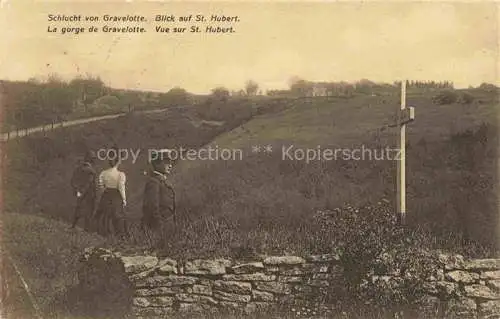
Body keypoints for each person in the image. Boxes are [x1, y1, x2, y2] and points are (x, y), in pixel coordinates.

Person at [142, 149, 176, 237]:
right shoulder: (153, 182)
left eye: (171, 162)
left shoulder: (163, 181)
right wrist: (160, 228)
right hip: (158, 229)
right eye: (166, 162)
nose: (170, 165)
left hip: (168, 227)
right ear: (157, 164)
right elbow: (152, 207)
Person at [94, 153, 128, 238]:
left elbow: (101, 185)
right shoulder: (120, 174)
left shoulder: (103, 173)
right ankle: (119, 235)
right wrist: (124, 199)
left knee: (106, 214)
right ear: (118, 162)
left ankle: (105, 234)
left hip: (106, 194)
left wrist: (104, 191)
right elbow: (121, 187)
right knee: (118, 216)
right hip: (116, 195)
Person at [70, 150, 97, 231]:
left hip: (80, 193)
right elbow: (89, 184)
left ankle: (73, 226)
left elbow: (72, 181)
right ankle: (86, 230)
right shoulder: (91, 171)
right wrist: (82, 193)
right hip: (89, 195)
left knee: (78, 209)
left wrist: (77, 191)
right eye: (93, 158)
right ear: (91, 159)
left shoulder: (78, 169)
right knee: (88, 212)